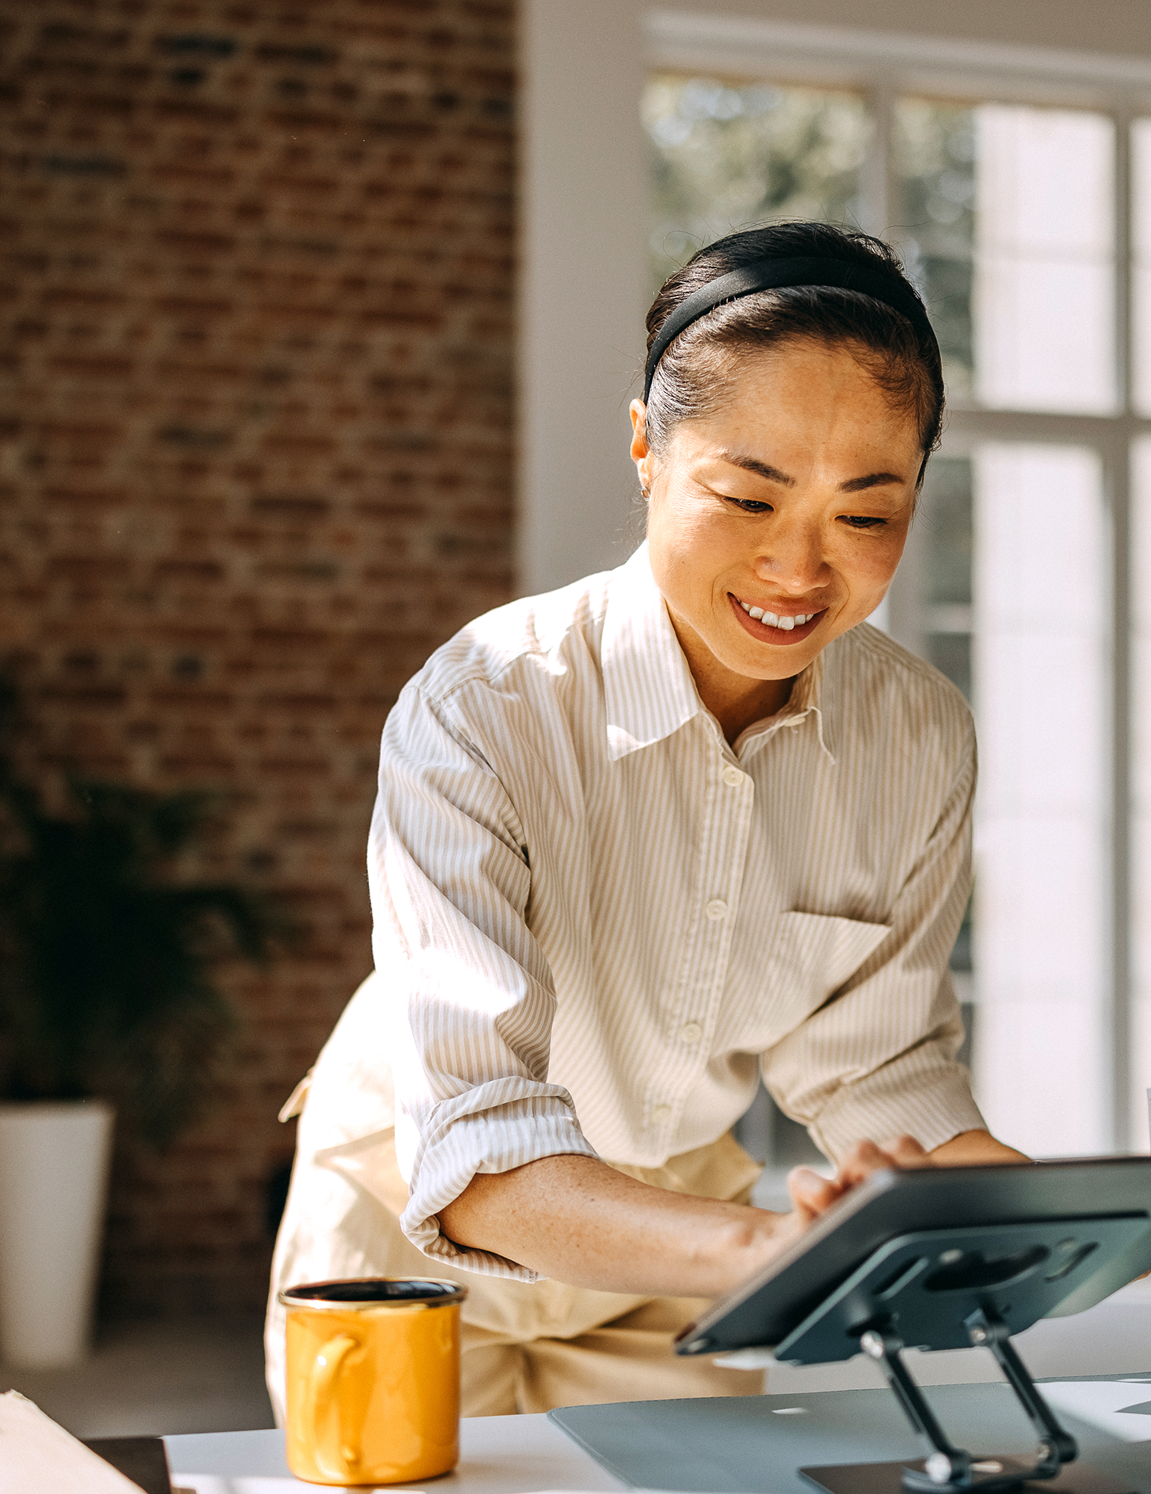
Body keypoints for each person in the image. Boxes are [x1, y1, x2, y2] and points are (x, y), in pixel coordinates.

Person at [265, 221, 1027, 1418]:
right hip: (411, 1229)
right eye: (747, 496)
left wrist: (1055, 1212)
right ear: (646, 451)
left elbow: (878, 1069)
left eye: (865, 517)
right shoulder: (483, 706)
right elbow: (479, 1150)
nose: (799, 570)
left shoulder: (916, 738)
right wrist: (771, 1252)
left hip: (673, 1231)